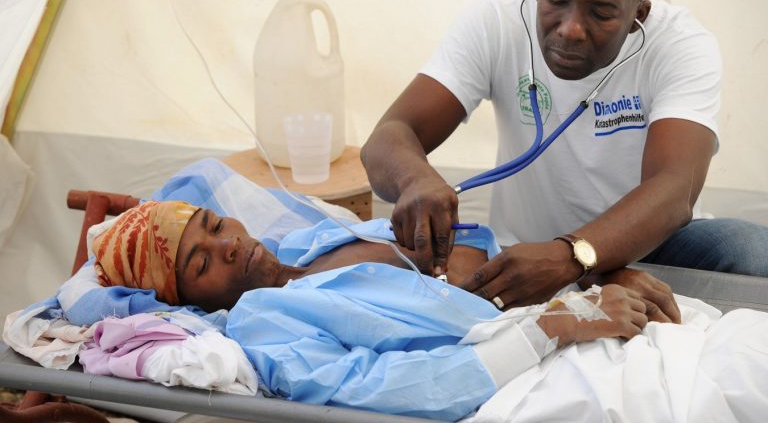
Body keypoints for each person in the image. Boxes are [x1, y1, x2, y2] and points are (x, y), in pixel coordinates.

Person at [360, 0, 768, 314]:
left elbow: (674, 189)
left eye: (601, 12)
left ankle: (608, 275)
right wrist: (414, 178)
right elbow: (390, 134)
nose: (570, 28)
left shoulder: (681, 45)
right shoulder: (495, 23)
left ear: (637, 16)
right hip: (522, 248)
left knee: (748, 249)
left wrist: (573, 257)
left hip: (647, 246)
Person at [90, 200, 768, 421]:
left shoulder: (315, 237)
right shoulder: (262, 321)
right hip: (521, 379)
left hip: (573, 315)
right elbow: (377, 389)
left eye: (213, 225)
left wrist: (597, 280)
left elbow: (480, 250)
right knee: (731, 377)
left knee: (738, 338)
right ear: (184, 298)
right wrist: (553, 329)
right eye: (200, 263)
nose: (227, 245)